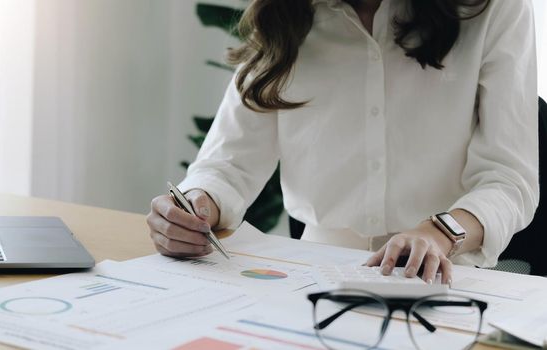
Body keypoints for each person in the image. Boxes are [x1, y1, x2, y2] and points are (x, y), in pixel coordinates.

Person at [146, 0, 538, 285]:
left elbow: (508, 180)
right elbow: (228, 165)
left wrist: (437, 233)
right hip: (310, 277)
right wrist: (194, 207)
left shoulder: (493, 10)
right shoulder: (284, 16)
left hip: (444, 276)